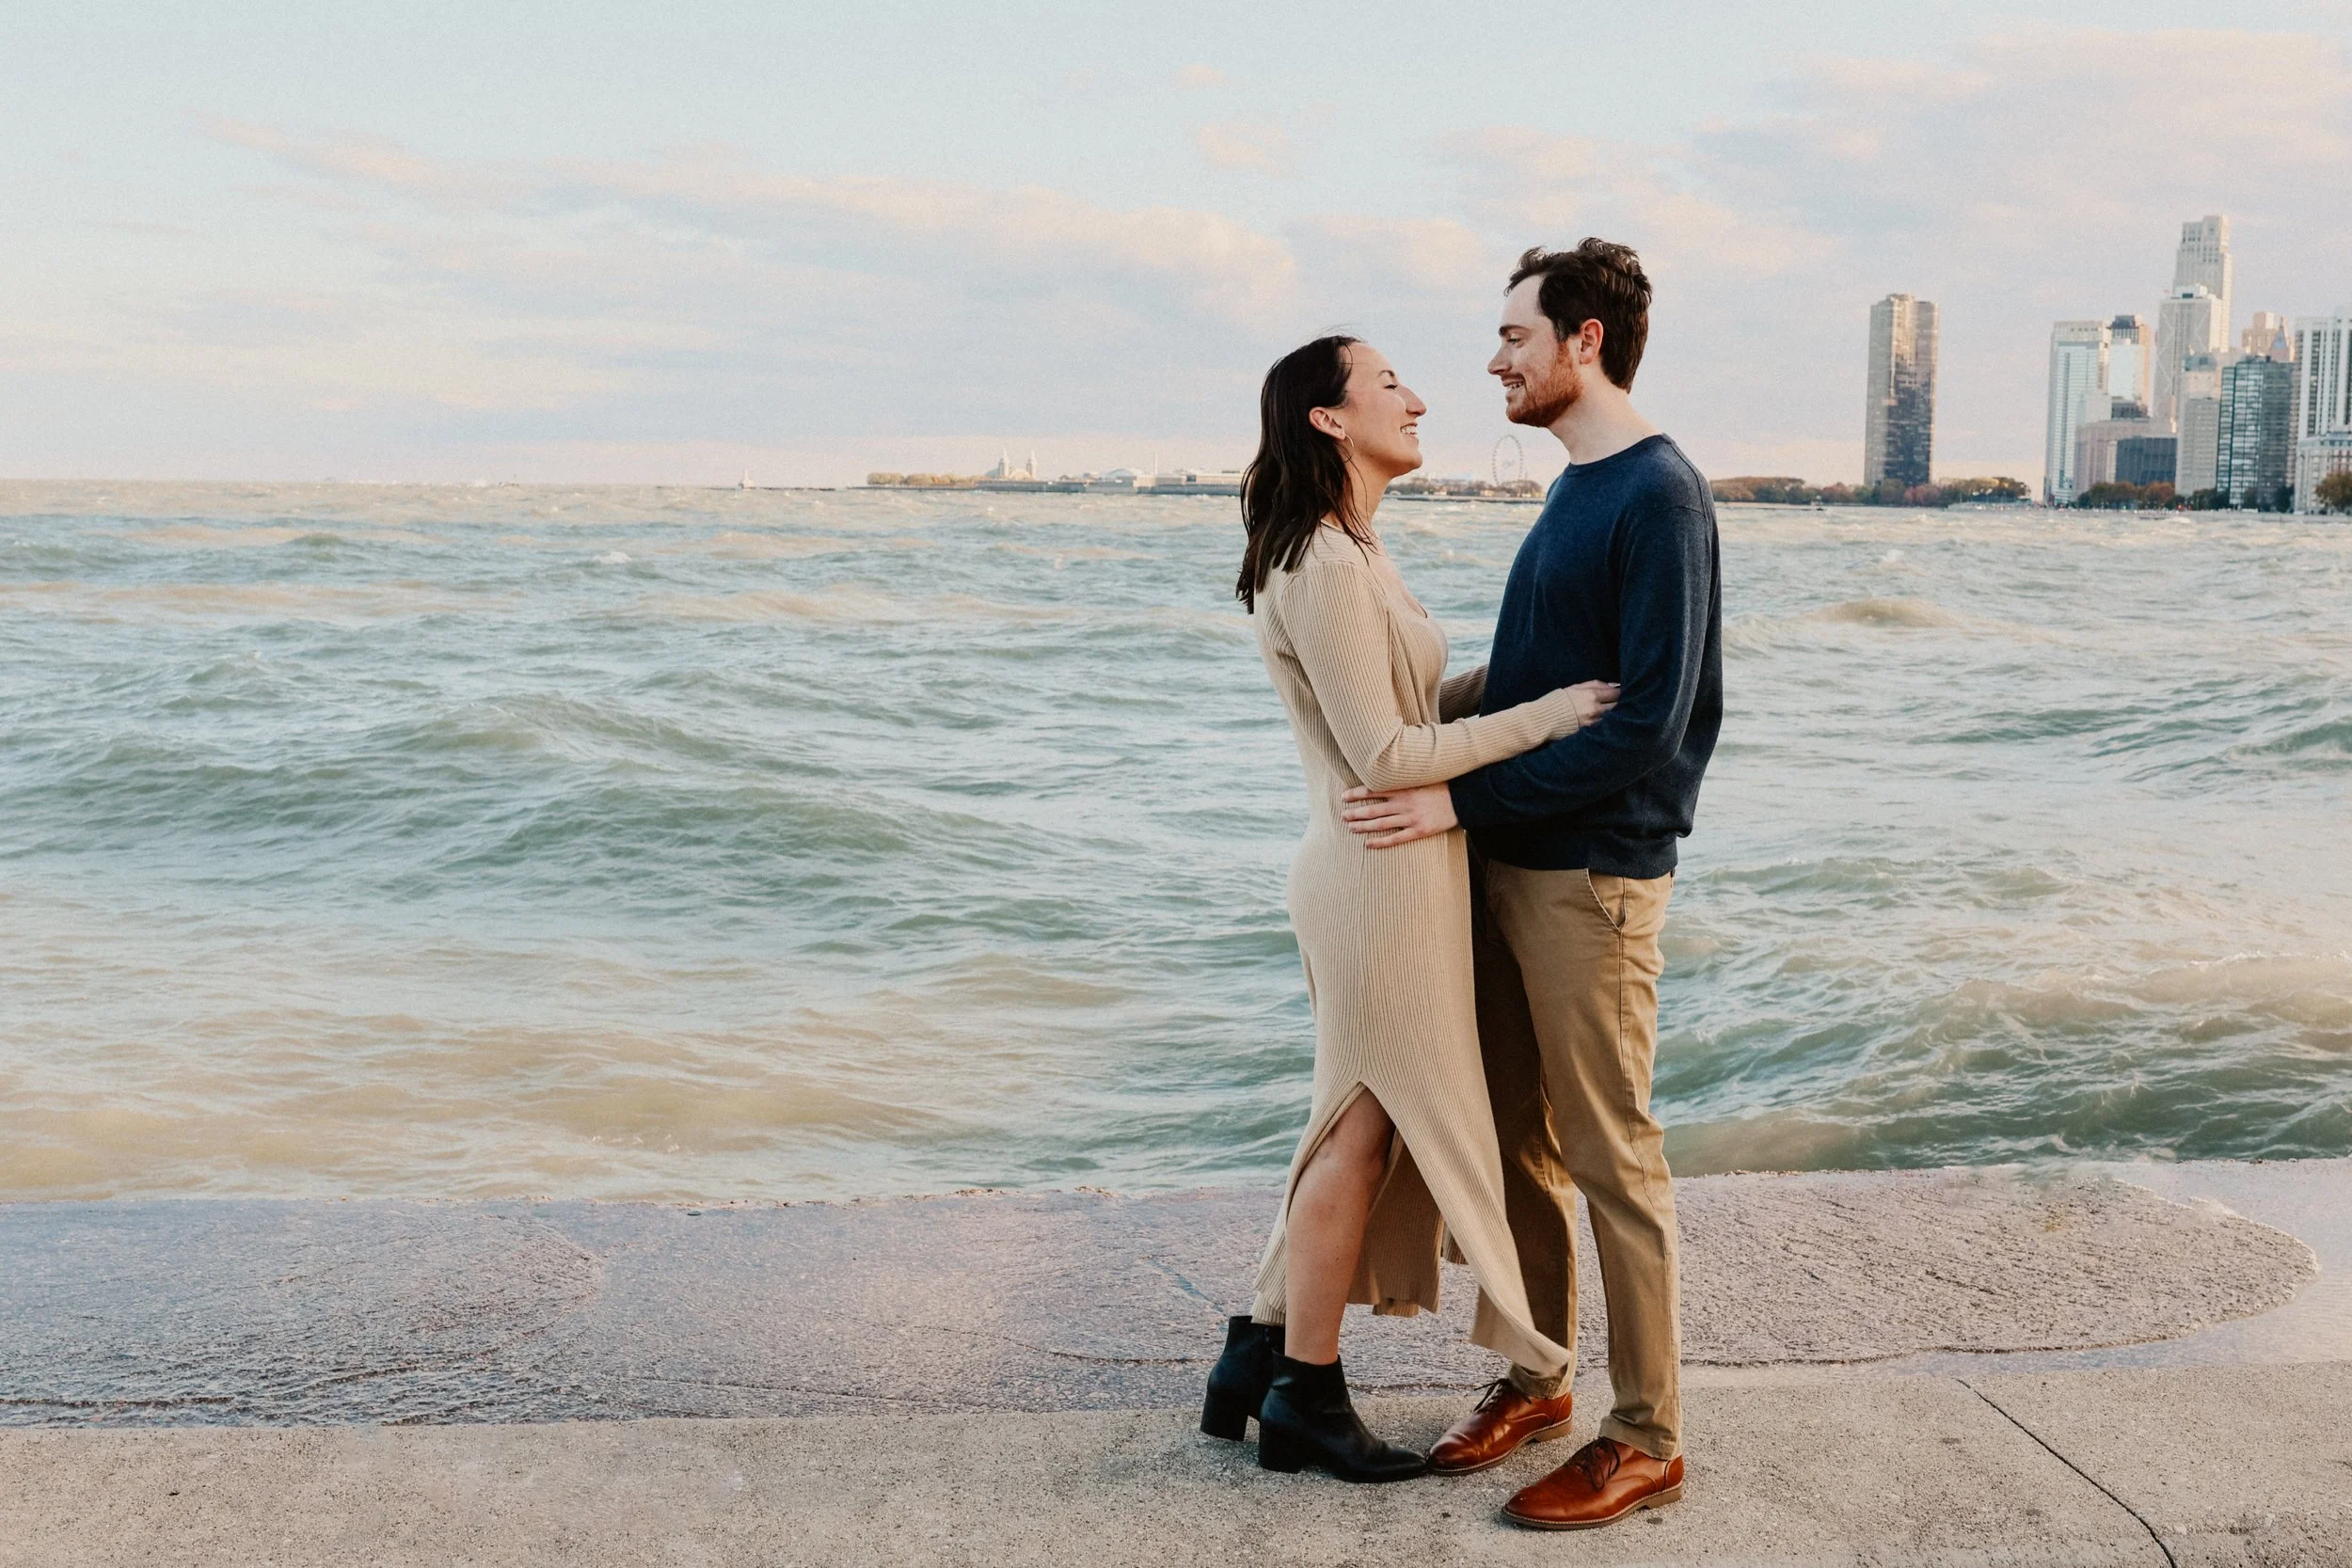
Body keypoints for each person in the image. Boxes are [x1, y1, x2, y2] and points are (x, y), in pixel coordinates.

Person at [1340, 239, 1723, 1531]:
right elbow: (1529, 683)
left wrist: (1455, 795)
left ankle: (1648, 1432)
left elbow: (1646, 726)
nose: (1495, 359)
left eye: (1514, 335)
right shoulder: (1577, 487)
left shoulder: (1659, 494)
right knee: (1513, 1140)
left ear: (1585, 343)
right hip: (1510, 867)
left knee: (1614, 1155)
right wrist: (1392, 722)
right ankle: (1540, 1375)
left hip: (1593, 883)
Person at [1200, 334, 1621, 1482]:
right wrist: (1551, 718)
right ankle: (1307, 1395)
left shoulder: (1354, 548)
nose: (1421, 399)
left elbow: (1414, 702)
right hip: (1376, 873)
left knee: (1355, 1118)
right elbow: (1387, 753)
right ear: (1329, 420)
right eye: (1390, 385)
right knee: (1366, 1127)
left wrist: (1527, 682)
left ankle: (1257, 1355)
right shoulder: (1326, 564)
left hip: (1390, 870)